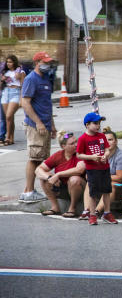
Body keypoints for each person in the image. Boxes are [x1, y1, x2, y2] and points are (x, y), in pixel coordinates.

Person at [19, 51, 56, 203]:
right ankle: (28, 191)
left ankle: (32, 190)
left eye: (48, 62)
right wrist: (39, 122)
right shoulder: (31, 79)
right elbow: (25, 103)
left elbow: (47, 104)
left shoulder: (46, 78)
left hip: (46, 125)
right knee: (34, 158)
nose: (47, 65)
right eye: (45, 62)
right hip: (35, 126)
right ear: (37, 63)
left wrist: (52, 125)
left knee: (42, 159)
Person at [76, 112, 116, 225]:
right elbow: (79, 155)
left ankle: (107, 213)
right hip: (92, 169)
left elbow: (107, 149)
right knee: (93, 193)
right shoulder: (83, 139)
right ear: (87, 125)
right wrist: (91, 157)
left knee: (106, 191)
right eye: (95, 123)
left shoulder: (102, 136)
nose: (98, 126)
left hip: (104, 167)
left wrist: (106, 155)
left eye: (99, 123)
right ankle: (92, 214)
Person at [36, 130, 86, 217]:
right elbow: (38, 170)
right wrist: (49, 177)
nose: (76, 144)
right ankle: (55, 207)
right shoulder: (58, 155)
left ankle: (72, 208)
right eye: (72, 143)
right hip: (62, 188)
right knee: (44, 178)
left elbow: (79, 170)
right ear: (63, 146)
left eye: (76, 141)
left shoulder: (80, 153)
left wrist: (58, 175)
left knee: (74, 179)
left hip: (80, 189)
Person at [89, 128, 122, 218]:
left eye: (110, 140)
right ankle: (87, 210)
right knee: (90, 182)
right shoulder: (99, 155)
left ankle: (96, 211)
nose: (108, 142)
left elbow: (120, 178)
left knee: (110, 184)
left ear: (116, 141)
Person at [1, 54, 24, 145]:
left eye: (10, 62)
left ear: (14, 62)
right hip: (6, 92)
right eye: (7, 62)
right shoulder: (4, 72)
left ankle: (7, 137)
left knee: (8, 116)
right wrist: (2, 80)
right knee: (10, 118)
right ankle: (11, 138)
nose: (8, 64)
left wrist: (22, 99)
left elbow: (23, 86)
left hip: (16, 92)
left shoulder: (20, 71)